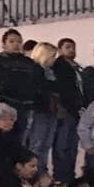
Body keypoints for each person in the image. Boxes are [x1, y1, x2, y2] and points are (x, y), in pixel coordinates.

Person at [0, 29, 41, 142]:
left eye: (19, 41)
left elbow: (37, 82)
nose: (16, 44)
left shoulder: (29, 63)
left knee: (20, 138)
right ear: (4, 44)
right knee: (1, 137)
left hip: (25, 106)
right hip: (4, 105)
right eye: (11, 41)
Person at [49, 38, 85, 184]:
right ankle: (60, 175)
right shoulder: (59, 65)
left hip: (76, 111)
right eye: (67, 47)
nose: (71, 50)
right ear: (60, 49)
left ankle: (69, 175)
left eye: (73, 47)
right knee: (62, 145)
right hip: (65, 110)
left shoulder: (77, 68)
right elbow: (63, 89)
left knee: (72, 146)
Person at [24, 42, 59, 172]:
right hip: (40, 110)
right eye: (52, 56)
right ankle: (35, 171)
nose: (54, 59)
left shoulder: (51, 72)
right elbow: (38, 89)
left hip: (51, 110)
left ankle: (42, 170)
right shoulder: (35, 69)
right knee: (37, 144)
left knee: (46, 144)